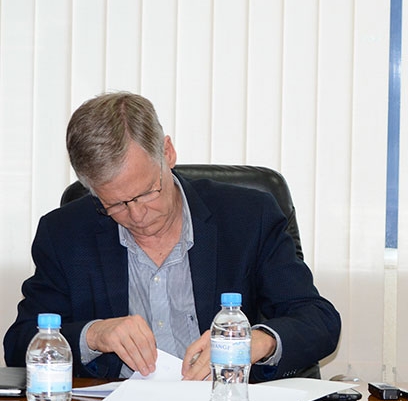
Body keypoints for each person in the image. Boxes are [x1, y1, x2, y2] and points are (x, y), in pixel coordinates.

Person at [4, 92, 341, 382]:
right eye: (116, 204)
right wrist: (93, 335)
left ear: (167, 152)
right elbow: (20, 345)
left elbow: (319, 320)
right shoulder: (64, 234)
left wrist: (256, 342)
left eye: (147, 192)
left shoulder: (249, 217)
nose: (137, 215)